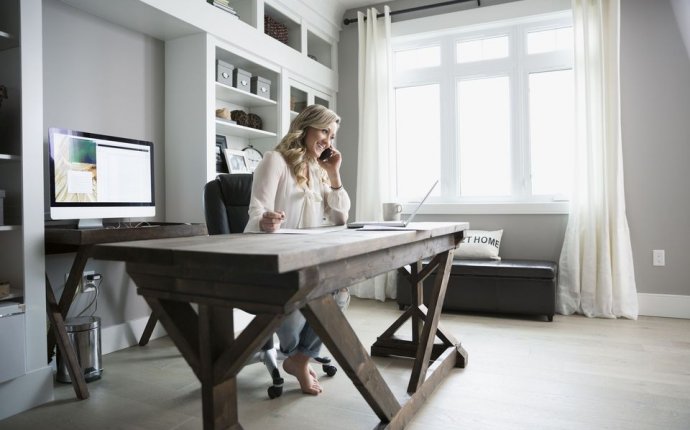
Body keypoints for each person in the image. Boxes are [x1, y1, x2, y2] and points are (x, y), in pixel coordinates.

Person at [244, 104, 351, 395]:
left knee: (340, 293)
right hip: (274, 263)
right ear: (306, 128)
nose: (328, 141)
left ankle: (298, 359)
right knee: (293, 306)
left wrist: (334, 174)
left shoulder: (319, 170)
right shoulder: (274, 160)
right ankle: (298, 357)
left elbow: (342, 218)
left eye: (332, 135)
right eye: (324, 131)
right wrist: (266, 221)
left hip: (308, 262)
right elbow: (256, 212)